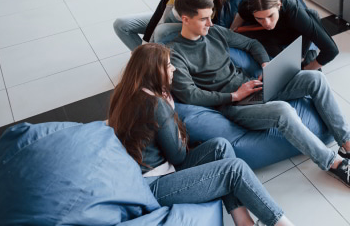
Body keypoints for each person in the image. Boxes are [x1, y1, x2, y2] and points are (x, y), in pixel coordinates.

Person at [168, 0, 350, 193]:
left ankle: (349, 146)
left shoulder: (215, 32)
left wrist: (265, 65)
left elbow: (252, 45)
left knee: (316, 78)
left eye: (210, 16)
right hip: (234, 105)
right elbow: (189, 94)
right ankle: (333, 163)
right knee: (283, 111)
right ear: (185, 19)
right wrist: (234, 95)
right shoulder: (175, 54)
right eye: (203, 19)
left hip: (255, 85)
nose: (210, 23)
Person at [107, 43, 293, 226]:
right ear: (155, 72)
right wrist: (171, 112)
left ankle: (242, 221)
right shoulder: (157, 105)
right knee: (234, 169)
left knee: (220, 146)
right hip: (153, 185)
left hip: (150, 171)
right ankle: (281, 223)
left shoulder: (125, 93)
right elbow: (178, 156)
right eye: (169, 65)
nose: (174, 69)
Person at [230, 0, 338, 70]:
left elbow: (331, 50)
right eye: (259, 18)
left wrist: (306, 69)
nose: (267, 23)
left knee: (312, 15)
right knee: (243, 40)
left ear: (278, 4)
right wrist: (230, 31)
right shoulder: (245, 5)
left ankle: (304, 57)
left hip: (294, 30)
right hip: (268, 34)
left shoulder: (294, 11)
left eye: (270, 16)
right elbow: (240, 14)